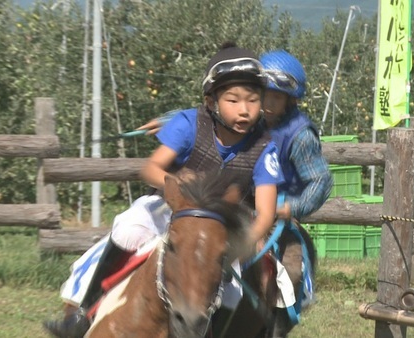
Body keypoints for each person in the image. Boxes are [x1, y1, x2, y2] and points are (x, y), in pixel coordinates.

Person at [43, 42, 284, 338]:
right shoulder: (188, 124)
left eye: (253, 99)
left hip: (222, 224)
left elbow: (266, 212)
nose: (245, 110)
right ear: (211, 102)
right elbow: (152, 169)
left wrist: (241, 245)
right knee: (127, 229)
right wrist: (178, 182)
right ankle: (83, 313)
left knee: (231, 292)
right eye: (233, 100)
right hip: (168, 207)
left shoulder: (265, 148)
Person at [137, 50, 333, 332]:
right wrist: (171, 120)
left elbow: (320, 180)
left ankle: (273, 326)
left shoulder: (299, 135)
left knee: (288, 268)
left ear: (291, 100)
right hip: (236, 203)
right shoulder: (249, 119)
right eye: (262, 95)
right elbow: (212, 111)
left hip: (274, 207)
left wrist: (290, 207)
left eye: (274, 98)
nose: (264, 104)